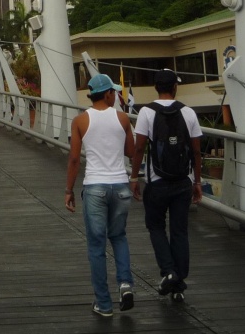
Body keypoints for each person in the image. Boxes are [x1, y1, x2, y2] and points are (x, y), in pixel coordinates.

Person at [65, 73, 136, 318]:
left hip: (95, 186)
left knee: (97, 246)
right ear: (107, 94)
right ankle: (125, 283)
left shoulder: (80, 120)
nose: (115, 95)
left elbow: (74, 159)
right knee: (119, 237)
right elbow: (131, 151)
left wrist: (69, 190)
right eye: (113, 92)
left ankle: (104, 304)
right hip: (120, 186)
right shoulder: (123, 118)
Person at [129, 68, 203, 303]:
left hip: (157, 181)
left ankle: (169, 271)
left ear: (155, 87)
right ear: (174, 87)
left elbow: (139, 148)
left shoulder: (146, 112)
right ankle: (179, 284)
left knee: (156, 227)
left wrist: (134, 177)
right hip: (183, 181)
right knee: (180, 231)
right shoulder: (188, 112)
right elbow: (196, 152)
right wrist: (197, 181)